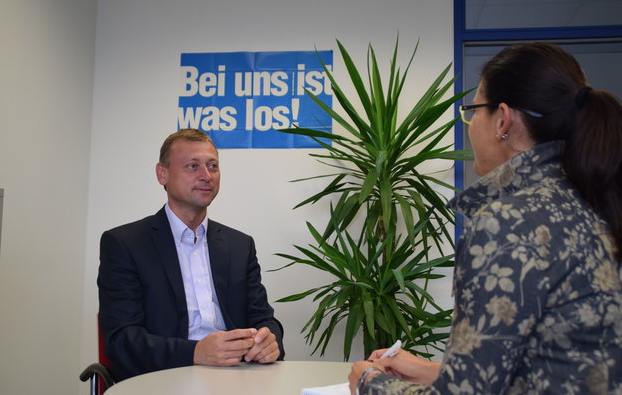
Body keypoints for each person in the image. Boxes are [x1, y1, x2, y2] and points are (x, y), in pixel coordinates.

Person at [349, 42, 622, 394]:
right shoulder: (592, 203)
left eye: (473, 110)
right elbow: (555, 365)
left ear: (503, 120)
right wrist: (439, 371)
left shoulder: (506, 222)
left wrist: (370, 382)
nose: (470, 124)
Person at [98, 129, 284, 382]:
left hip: (237, 379)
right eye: (192, 166)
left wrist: (270, 340)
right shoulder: (125, 244)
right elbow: (122, 340)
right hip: (160, 379)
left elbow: (263, 319)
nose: (206, 176)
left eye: (213, 166)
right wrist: (195, 352)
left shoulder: (240, 245)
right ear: (162, 174)